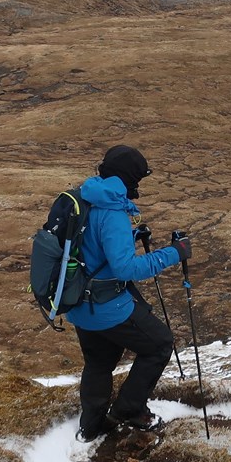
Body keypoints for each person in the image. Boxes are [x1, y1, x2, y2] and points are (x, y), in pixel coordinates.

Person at [67, 144, 191, 439]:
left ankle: (91, 427)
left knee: (98, 362)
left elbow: (95, 247)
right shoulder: (112, 211)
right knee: (160, 344)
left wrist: (133, 235)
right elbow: (126, 269)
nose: (138, 185)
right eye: (138, 179)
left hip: (79, 304)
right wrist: (175, 252)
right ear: (127, 178)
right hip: (108, 306)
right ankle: (129, 410)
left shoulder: (87, 197)